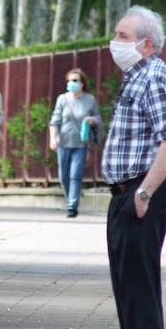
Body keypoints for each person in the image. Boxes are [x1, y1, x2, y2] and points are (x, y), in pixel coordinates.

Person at [100, 6, 166, 329]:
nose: (114, 42)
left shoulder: (156, 77)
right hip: (126, 193)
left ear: (146, 43)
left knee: (139, 289)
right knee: (128, 289)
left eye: (122, 35)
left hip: (141, 194)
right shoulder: (137, 78)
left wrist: (145, 193)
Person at [47, 67, 103, 218]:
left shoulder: (90, 100)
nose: (72, 83)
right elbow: (54, 121)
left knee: (75, 175)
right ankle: (70, 198)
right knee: (63, 176)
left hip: (81, 144)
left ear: (82, 83)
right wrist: (53, 138)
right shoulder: (62, 99)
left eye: (75, 80)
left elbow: (98, 119)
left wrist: (92, 120)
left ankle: (72, 205)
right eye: (69, 80)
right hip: (63, 143)